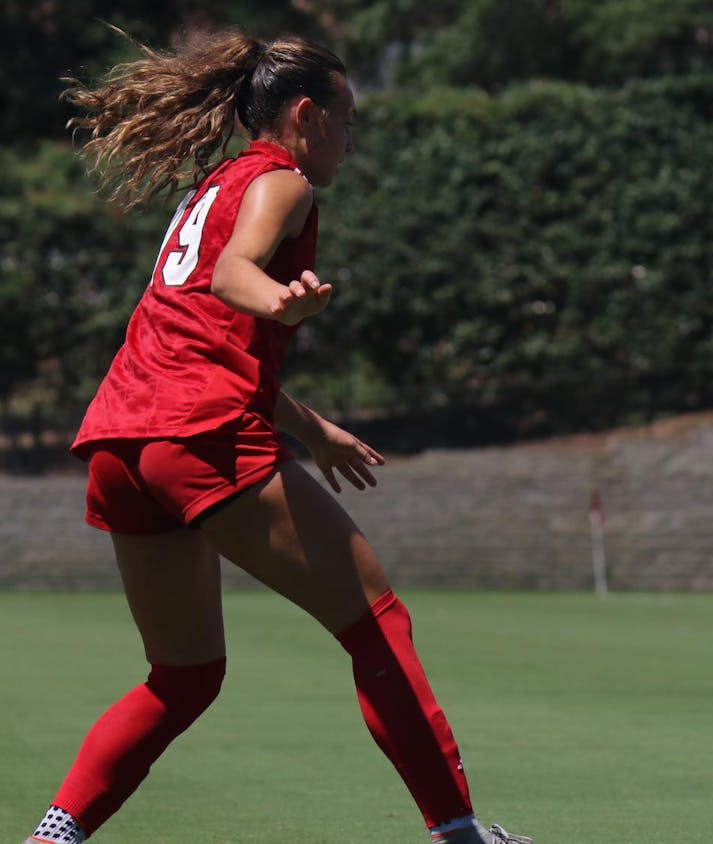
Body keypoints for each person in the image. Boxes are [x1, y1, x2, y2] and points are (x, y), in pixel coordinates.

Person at [23, 29, 529, 844]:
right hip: (198, 437)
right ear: (305, 115)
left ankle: (55, 834)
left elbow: (200, 330)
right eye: (347, 116)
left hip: (123, 442)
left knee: (183, 677)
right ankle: (459, 833)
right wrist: (277, 301)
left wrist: (309, 425)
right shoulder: (282, 181)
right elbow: (233, 277)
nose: (352, 135)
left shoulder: (214, 185)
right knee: (377, 622)